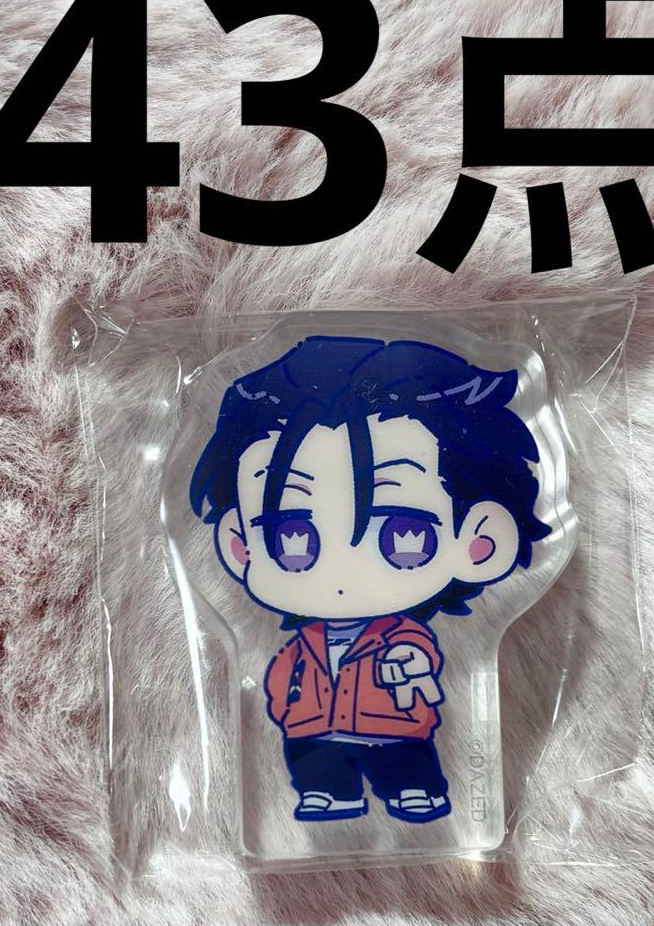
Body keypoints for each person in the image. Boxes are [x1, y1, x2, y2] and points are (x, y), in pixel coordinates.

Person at [190, 336, 549, 822]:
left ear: (480, 542)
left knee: (403, 762)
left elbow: (419, 658)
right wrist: (287, 704)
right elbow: (281, 676)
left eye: (403, 535)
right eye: (291, 537)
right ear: (239, 545)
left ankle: (413, 790)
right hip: (314, 727)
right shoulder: (302, 646)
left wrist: (410, 667)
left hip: (392, 725)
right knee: (316, 764)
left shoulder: (402, 638)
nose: (340, 573)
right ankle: (327, 793)